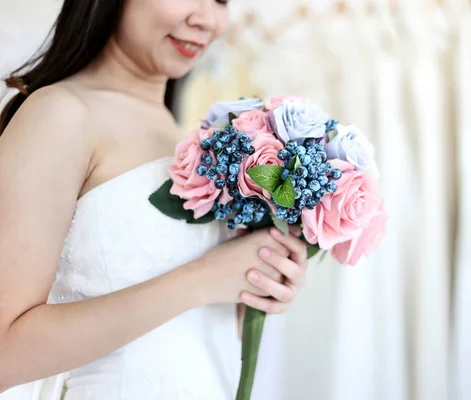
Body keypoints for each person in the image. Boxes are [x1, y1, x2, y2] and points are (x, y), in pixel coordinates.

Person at [0, 0, 308, 398]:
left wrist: (257, 280)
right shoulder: (61, 113)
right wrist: (202, 279)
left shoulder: (187, 136)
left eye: (220, 0)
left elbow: (180, 340)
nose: (205, 19)